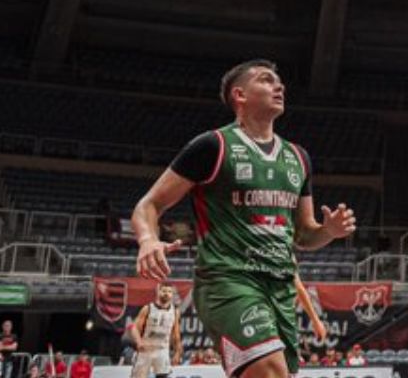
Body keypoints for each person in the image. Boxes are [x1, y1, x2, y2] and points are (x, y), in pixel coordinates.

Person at [131, 60, 356, 378]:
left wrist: (329, 231)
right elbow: (149, 204)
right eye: (267, 81)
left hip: (279, 289)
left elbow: (304, 236)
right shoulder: (212, 146)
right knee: (270, 373)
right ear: (240, 95)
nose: (279, 87)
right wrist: (147, 239)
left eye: (279, 82)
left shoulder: (298, 157)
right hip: (229, 280)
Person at [130, 283, 183, 378]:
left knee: (163, 375)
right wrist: (139, 342)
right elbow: (134, 328)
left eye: (169, 291)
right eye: (164, 291)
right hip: (146, 349)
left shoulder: (175, 311)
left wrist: (177, 352)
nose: (166, 294)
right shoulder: (148, 308)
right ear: (158, 292)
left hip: (162, 349)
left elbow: (176, 334)